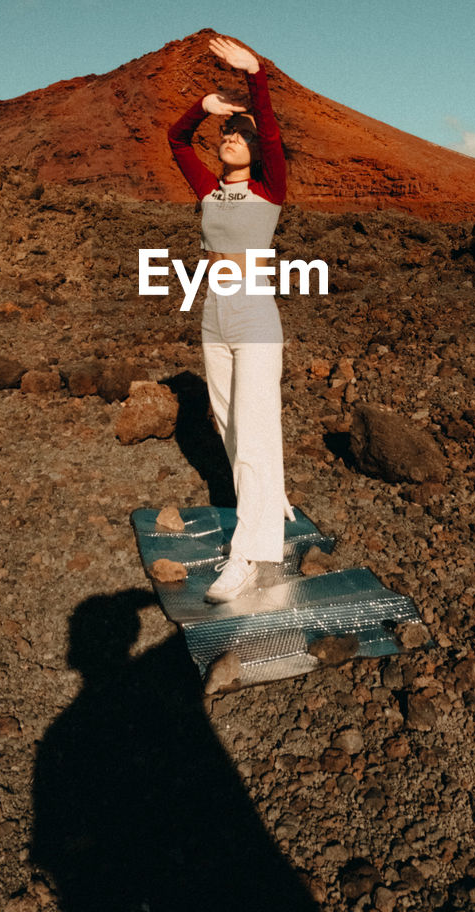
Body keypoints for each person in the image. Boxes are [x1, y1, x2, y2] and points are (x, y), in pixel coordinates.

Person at [167, 34, 293, 602]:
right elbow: (175, 140)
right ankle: (270, 501)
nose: (231, 138)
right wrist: (205, 109)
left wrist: (256, 76)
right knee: (230, 428)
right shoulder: (208, 191)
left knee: (255, 433)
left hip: (255, 317)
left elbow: (268, 128)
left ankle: (249, 555)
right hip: (213, 313)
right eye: (226, 133)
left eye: (240, 135)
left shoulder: (270, 188)